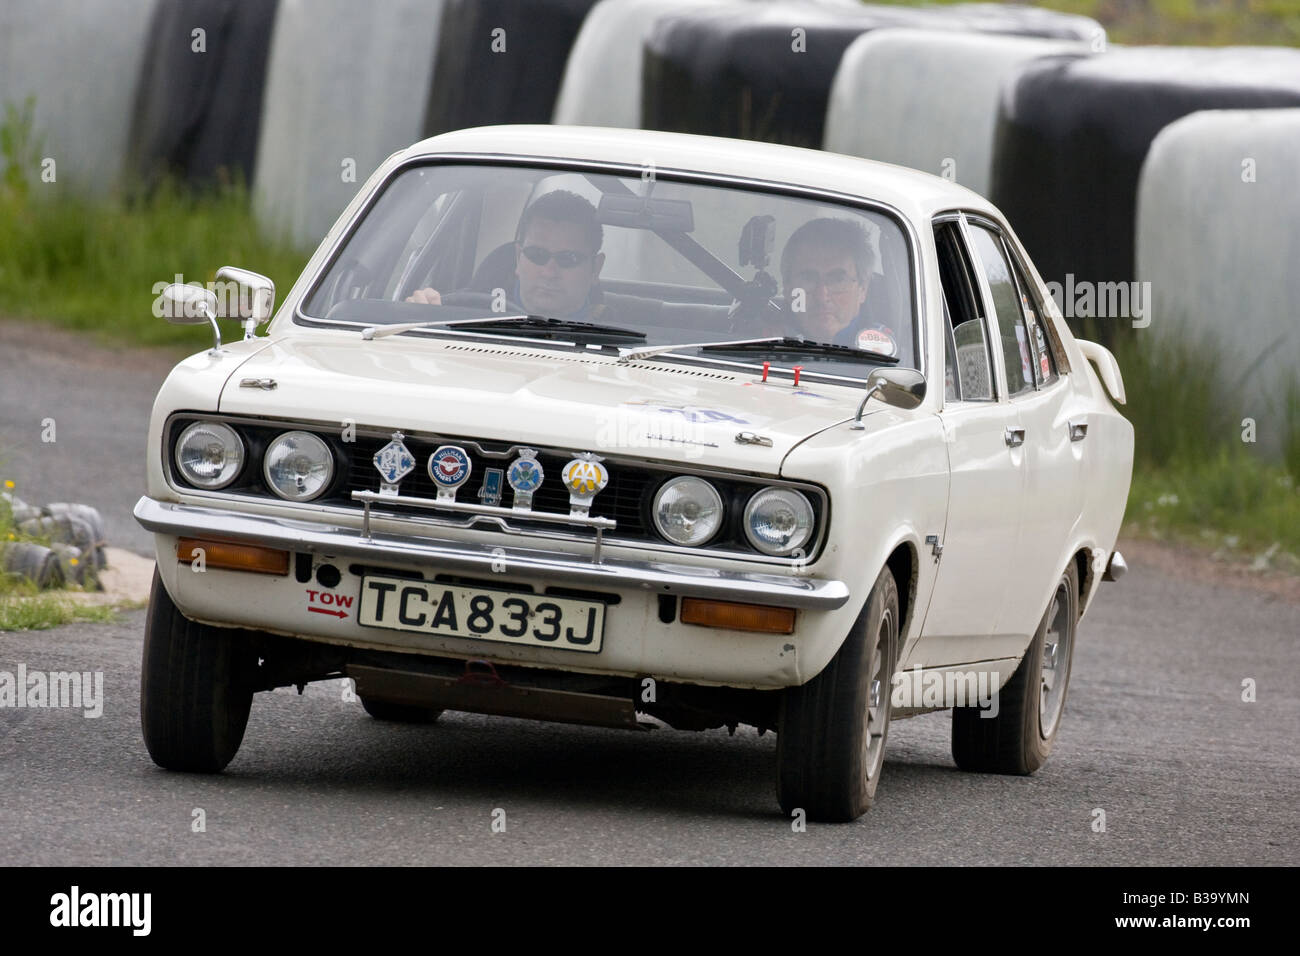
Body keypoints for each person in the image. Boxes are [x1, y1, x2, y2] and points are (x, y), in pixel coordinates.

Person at [406, 189, 607, 320]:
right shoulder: (463, 315)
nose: (549, 272)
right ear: (518, 258)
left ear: (595, 268)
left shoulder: (629, 337)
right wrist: (417, 314)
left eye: (568, 259)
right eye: (537, 255)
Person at [779, 217, 898, 358]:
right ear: (787, 287)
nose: (822, 297)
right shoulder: (757, 343)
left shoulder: (886, 355)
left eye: (837, 280)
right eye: (808, 279)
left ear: (863, 289)